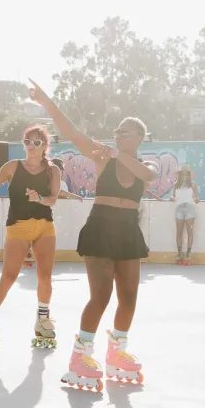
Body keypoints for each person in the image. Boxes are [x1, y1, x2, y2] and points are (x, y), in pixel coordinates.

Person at [28, 79, 159, 391]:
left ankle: (117, 352)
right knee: (100, 297)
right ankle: (80, 356)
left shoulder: (145, 163)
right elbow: (73, 132)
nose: (117, 135)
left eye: (124, 131)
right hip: (101, 227)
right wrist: (48, 104)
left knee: (129, 299)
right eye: (116, 131)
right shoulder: (102, 156)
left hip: (128, 230)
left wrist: (117, 154)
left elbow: (149, 176)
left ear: (139, 136)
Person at [0, 125, 62, 353]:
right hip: (18, 227)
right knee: (8, 277)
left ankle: (43, 319)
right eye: (27, 141)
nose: (31, 146)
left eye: (37, 142)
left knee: (45, 277)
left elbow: (53, 199)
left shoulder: (53, 171)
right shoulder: (12, 167)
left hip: (45, 227)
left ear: (45, 146)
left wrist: (39, 199)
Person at [169, 167, 200, 265]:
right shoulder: (175, 185)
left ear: (189, 175)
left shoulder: (193, 185)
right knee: (179, 232)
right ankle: (180, 253)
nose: (185, 176)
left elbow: (195, 196)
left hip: (189, 208)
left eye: (187, 174)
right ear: (180, 175)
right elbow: (174, 197)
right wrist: (172, 199)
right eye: (183, 174)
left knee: (190, 232)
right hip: (179, 209)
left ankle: (188, 254)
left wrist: (196, 199)